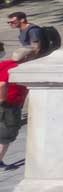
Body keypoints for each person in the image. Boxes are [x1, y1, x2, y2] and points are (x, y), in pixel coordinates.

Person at [0, 39, 25, 169]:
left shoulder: (4, 64)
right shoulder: (16, 68)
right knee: (6, 133)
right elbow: (3, 84)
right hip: (8, 104)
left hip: (9, 103)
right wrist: (2, 100)